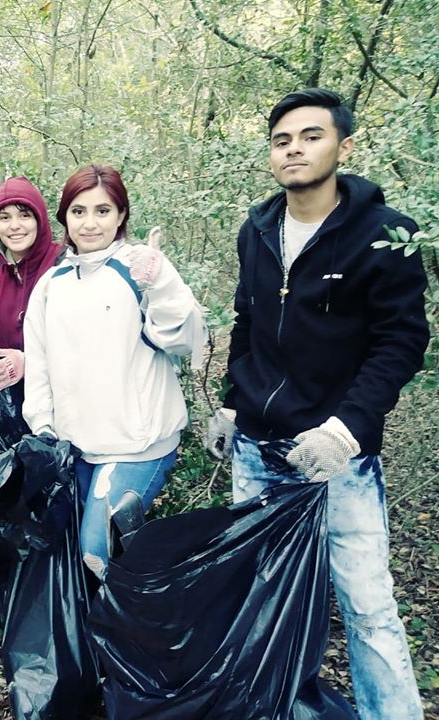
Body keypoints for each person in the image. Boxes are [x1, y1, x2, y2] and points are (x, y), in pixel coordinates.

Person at [205, 88, 426, 719]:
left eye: (310, 136)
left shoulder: (385, 235)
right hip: (258, 452)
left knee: (366, 605)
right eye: (282, 140)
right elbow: (247, 324)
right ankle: (274, 707)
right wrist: (231, 405)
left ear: (343, 146)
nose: (294, 149)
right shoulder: (258, 228)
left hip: (339, 460)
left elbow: (401, 343)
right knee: (264, 596)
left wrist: (346, 429)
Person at [23, 164, 205, 579]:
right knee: (81, 557)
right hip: (76, 445)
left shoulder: (140, 268)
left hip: (136, 445)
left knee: (96, 550)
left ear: (121, 215)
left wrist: (160, 283)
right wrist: (43, 427)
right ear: (64, 217)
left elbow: (185, 338)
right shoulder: (52, 283)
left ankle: (130, 637)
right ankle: (96, 636)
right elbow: (40, 364)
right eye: (79, 211)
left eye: (103, 211)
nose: (90, 223)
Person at [0, 176, 61, 410]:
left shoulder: (63, 267)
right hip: (7, 405)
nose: (14, 226)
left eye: (24, 215)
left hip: (58, 404)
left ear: (39, 220)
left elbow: (82, 345)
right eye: (4, 217)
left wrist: (26, 363)